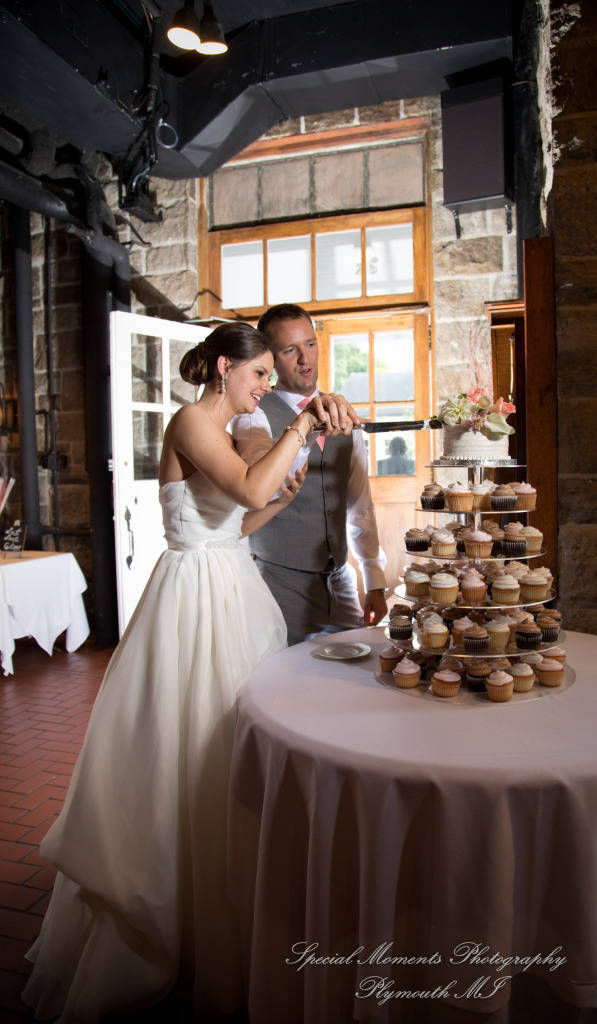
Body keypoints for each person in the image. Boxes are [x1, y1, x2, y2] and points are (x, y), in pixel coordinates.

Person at [22, 322, 360, 1024]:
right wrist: (300, 426)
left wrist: (289, 480)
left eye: (272, 377)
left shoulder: (237, 427)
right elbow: (240, 490)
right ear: (221, 367)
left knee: (231, 755)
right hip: (191, 603)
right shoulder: (188, 422)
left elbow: (243, 518)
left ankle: (226, 917)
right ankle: (168, 919)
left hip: (233, 587)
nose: (266, 388)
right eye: (259, 375)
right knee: (185, 753)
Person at [231, 303, 387, 646]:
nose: (306, 359)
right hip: (277, 581)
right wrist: (304, 427)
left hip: (340, 582)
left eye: (310, 344)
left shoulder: (344, 414)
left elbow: (359, 505)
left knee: (354, 676)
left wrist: (374, 580)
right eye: (290, 350)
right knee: (285, 687)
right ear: (269, 358)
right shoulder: (252, 414)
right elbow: (263, 489)